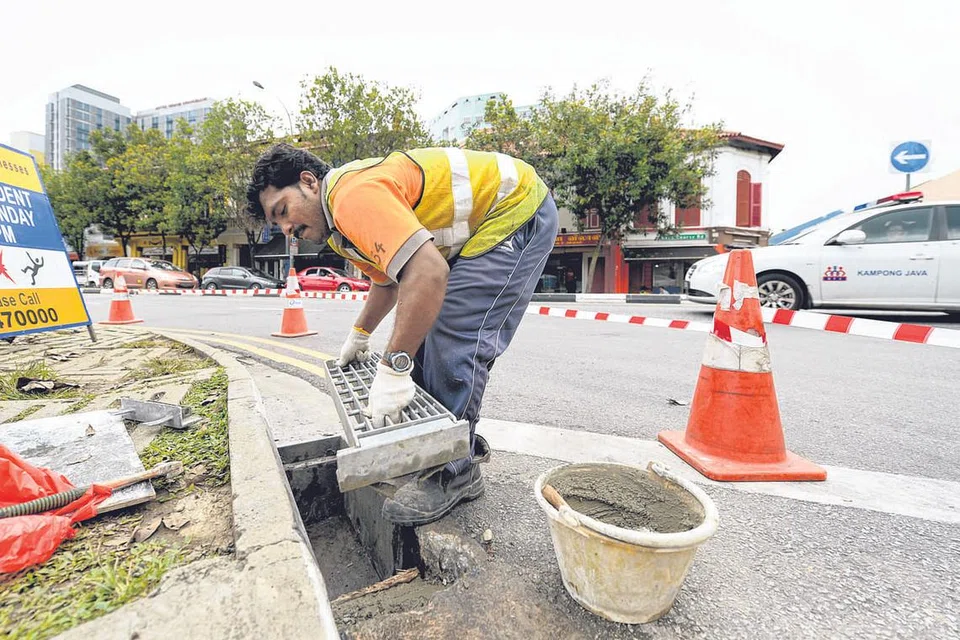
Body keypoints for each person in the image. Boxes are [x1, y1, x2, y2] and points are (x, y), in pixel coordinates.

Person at [246, 144, 559, 526]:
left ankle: (455, 471)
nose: (286, 229)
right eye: (275, 224)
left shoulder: (350, 196)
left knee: (453, 333)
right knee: (422, 333)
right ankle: (431, 455)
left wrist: (394, 367)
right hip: (487, 223)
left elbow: (427, 272)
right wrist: (360, 334)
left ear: (309, 183)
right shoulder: (339, 230)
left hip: (514, 208)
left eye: (283, 211)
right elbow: (388, 281)